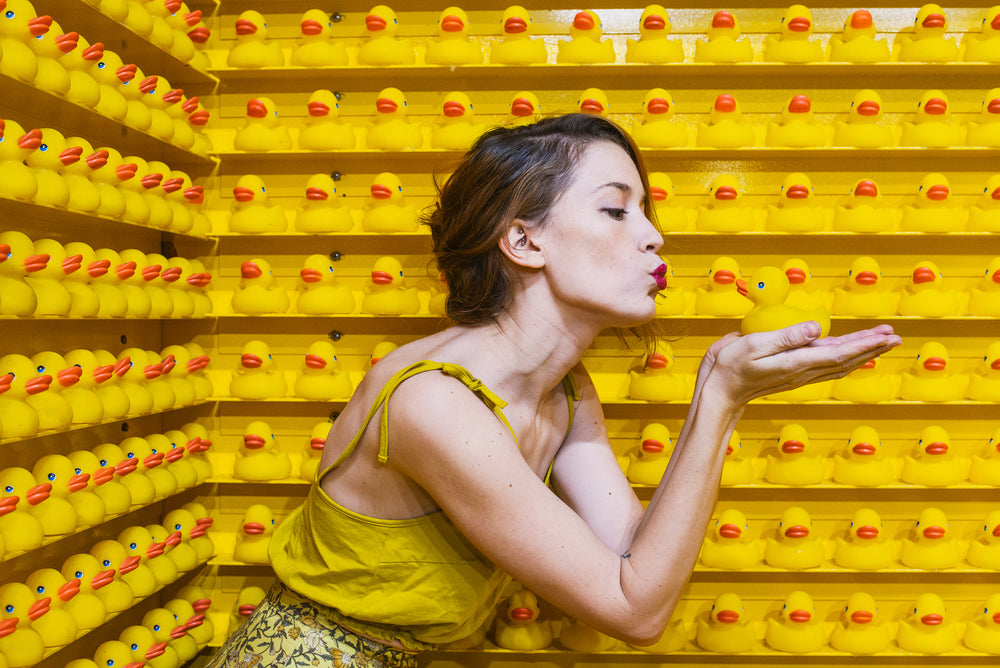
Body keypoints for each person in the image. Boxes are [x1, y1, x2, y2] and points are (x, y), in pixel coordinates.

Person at [207, 114, 900, 667]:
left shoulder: (567, 390)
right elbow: (637, 613)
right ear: (524, 242)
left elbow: (634, 560)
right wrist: (719, 396)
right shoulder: (438, 405)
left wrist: (726, 394)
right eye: (616, 211)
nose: (655, 236)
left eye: (646, 211)